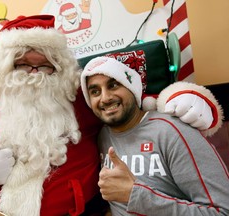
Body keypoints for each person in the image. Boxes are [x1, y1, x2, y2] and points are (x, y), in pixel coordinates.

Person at [0, 15, 223, 216]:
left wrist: (181, 97)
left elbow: (126, 105)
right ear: (3, 69)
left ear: (58, 68)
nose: (35, 73)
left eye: (45, 65)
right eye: (23, 65)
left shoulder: (77, 100)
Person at [80, 56, 229, 216]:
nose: (105, 98)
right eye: (95, 91)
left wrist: (135, 196)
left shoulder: (171, 131)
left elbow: (222, 211)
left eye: (113, 85)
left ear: (132, 88)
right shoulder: (102, 136)